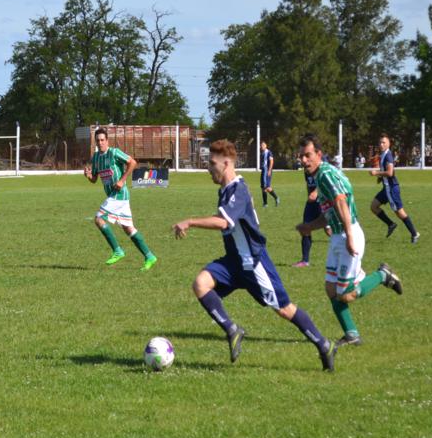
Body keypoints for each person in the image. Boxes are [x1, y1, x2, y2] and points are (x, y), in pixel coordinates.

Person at [172, 139, 335, 371]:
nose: (209, 169)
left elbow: (223, 222)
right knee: (200, 284)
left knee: (284, 309)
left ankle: (324, 344)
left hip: (253, 263)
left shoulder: (238, 189)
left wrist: (189, 221)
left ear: (226, 163)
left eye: (212, 164)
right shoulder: (225, 190)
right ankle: (232, 330)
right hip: (233, 262)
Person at [296, 134, 403, 348]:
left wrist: (349, 236)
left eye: (307, 155)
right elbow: (330, 213)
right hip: (339, 235)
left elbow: (341, 202)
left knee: (346, 295)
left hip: (347, 234)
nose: (304, 160)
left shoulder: (325, 175)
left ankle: (382, 275)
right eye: (301, 157)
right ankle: (351, 334)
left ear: (319, 154)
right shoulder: (322, 174)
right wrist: (309, 227)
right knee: (331, 289)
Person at [84, 127, 157, 271]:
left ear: (107, 141)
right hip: (115, 197)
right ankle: (149, 256)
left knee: (98, 219)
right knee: (128, 229)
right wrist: (88, 176)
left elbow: (132, 162)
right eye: (98, 141)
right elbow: (94, 179)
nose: (100, 143)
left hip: (119, 194)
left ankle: (117, 251)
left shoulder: (114, 152)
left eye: (102, 140)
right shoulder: (96, 157)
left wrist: (122, 180)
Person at [369, 133, 420, 244]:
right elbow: (388, 172)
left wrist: (376, 173)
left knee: (399, 212)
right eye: (380, 142)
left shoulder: (388, 155)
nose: (381, 144)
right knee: (374, 206)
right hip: (386, 188)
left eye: (384, 142)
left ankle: (414, 233)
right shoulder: (383, 155)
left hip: (391, 189)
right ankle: (391, 224)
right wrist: (380, 178)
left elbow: (390, 172)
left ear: (389, 144)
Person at [292, 166, 322, 268]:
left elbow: (326, 182)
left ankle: (349, 246)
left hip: (323, 201)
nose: (303, 160)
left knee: (329, 230)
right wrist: (309, 195)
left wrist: (316, 192)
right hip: (311, 203)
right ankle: (305, 261)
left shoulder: (322, 168)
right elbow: (308, 184)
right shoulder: (306, 170)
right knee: (305, 228)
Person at [259, 140, 280, 207]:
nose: (261, 146)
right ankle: (265, 203)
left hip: (267, 171)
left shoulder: (268, 152)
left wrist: (269, 170)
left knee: (266, 187)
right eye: (261, 145)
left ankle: (276, 198)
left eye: (263, 145)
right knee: (263, 187)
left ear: (266, 146)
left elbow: (271, 161)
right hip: (263, 171)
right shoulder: (262, 153)